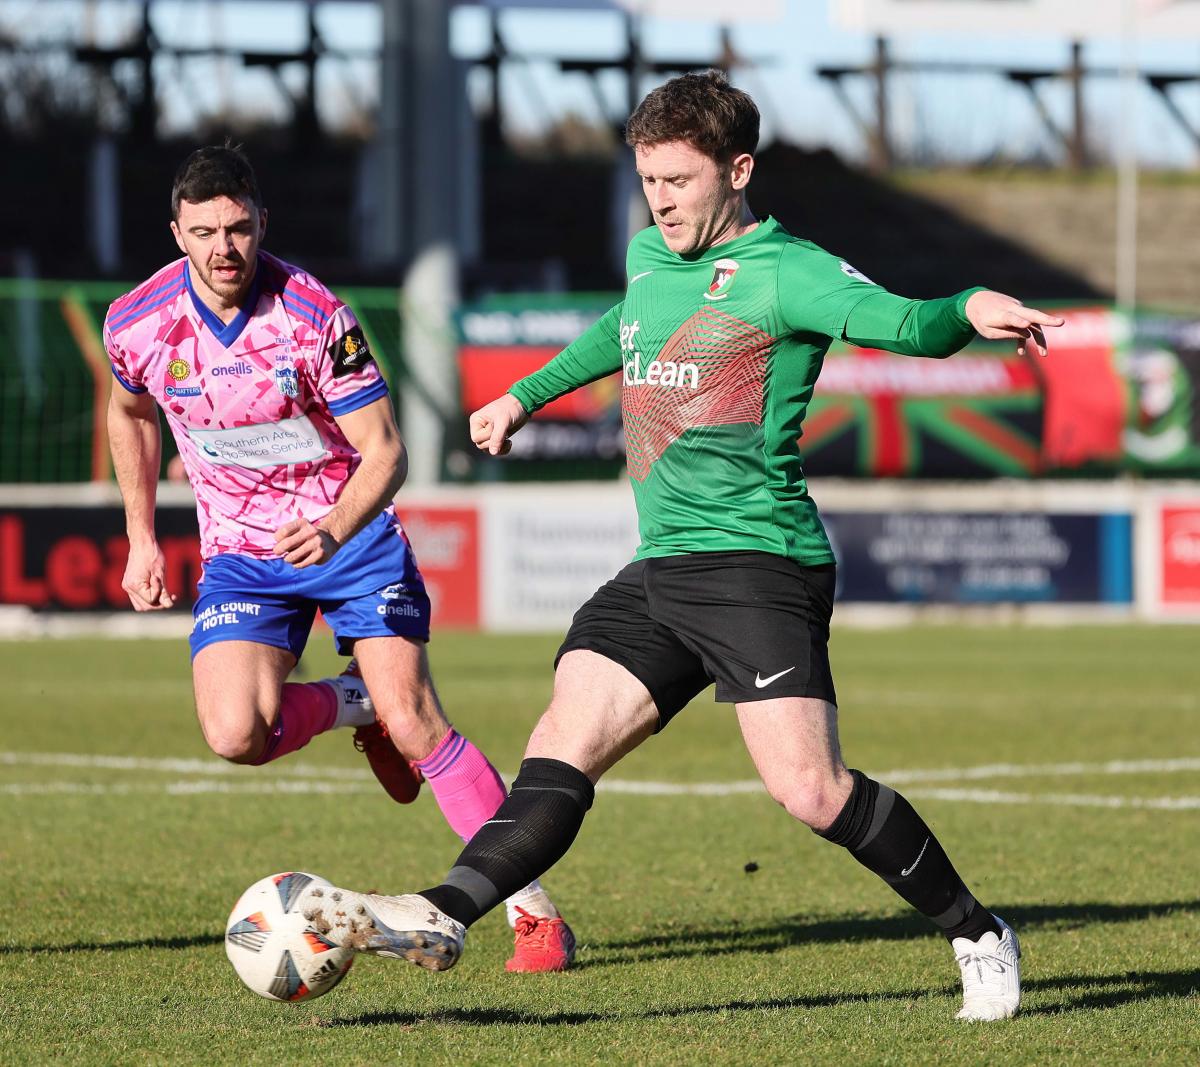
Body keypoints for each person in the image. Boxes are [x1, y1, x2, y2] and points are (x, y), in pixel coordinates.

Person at [298, 73, 1064, 1019]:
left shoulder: (790, 271)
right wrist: (523, 396)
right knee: (560, 744)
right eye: (649, 179)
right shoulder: (649, 256)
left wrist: (968, 307)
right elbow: (621, 330)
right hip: (662, 567)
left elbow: (904, 322)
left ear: (737, 171)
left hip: (759, 564)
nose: (660, 200)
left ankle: (978, 932)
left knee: (811, 789)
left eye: (679, 180)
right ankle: (444, 912)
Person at [104, 144, 574, 973]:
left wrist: (331, 527)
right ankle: (357, 703)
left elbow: (386, 452)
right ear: (177, 233)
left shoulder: (316, 315)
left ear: (261, 223)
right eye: (205, 232)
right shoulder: (137, 322)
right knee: (235, 733)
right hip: (243, 555)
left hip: (351, 539)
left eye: (238, 228)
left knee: (418, 721)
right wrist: (141, 534)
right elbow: (130, 413)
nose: (224, 248)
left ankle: (533, 912)